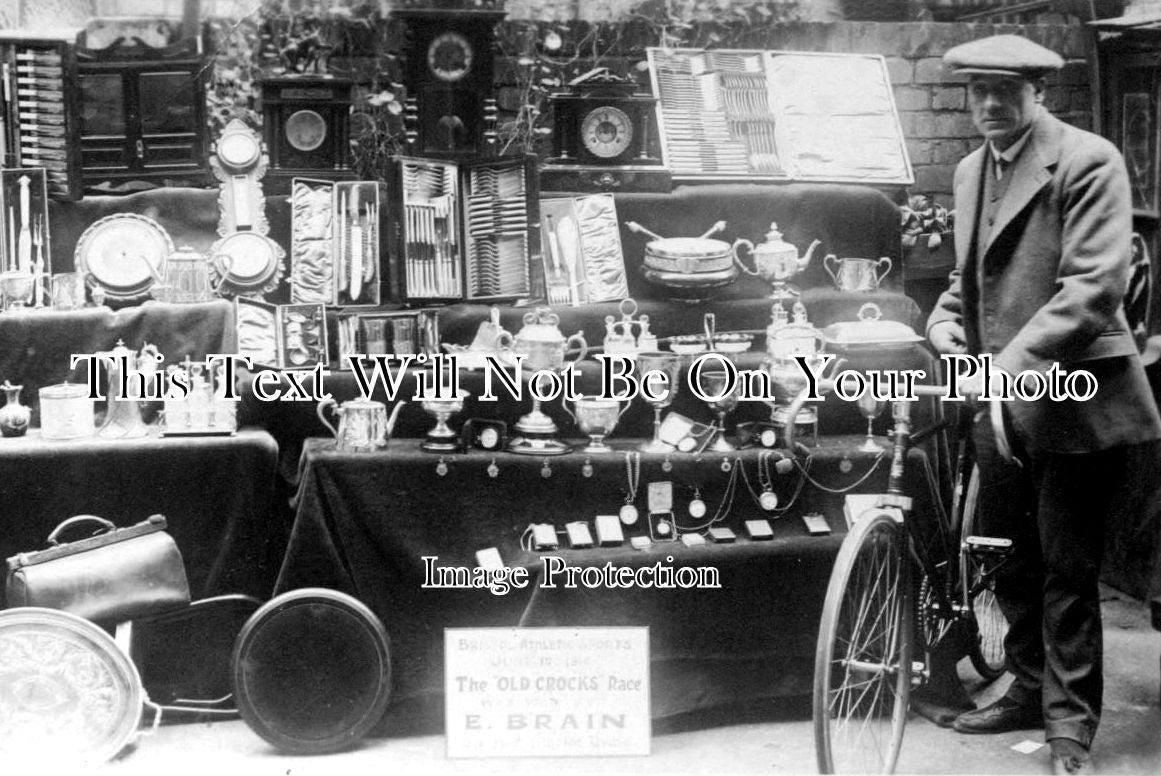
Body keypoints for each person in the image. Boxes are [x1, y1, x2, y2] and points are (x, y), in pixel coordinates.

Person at [927, 34, 1161, 775]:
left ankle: (1069, 727)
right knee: (1009, 559)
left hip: (1074, 399)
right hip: (1001, 409)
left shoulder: (1088, 160)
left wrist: (1002, 372)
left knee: (1065, 566)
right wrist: (942, 324)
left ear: (1039, 94)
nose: (990, 105)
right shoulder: (969, 170)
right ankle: (1026, 687)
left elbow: (1091, 289)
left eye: (1006, 92)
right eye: (978, 93)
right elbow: (965, 286)